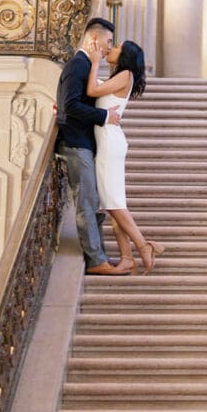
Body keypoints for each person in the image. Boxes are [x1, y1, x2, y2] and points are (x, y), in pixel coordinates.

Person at [55, 17, 132, 276]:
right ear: (94, 40)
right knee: (86, 202)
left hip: (84, 142)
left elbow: (70, 103)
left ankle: (99, 254)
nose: (110, 47)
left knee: (93, 200)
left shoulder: (85, 65)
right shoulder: (78, 65)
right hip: (76, 143)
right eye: (108, 41)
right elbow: (71, 105)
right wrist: (104, 117)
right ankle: (96, 260)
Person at [86, 37, 165, 275]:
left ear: (125, 56)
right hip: (110, 140)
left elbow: (91, 90)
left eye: (117, 47)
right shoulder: (121, 77)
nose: (113, 48)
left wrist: (94, 61)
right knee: (114, 203)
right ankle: (127, 257)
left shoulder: (126, 74)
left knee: (114, 204)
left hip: (110, 141)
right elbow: (97, 90)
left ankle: (143, 246)